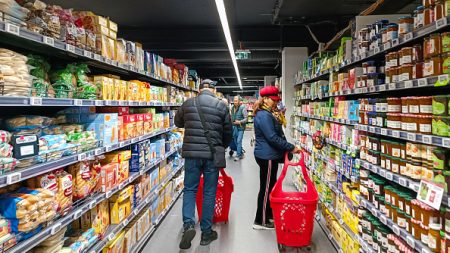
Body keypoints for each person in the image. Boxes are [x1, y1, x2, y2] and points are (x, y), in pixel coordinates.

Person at [174, 79, 232, 249]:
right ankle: (206, 232)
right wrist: (222, 146)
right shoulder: (221, 106)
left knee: (190, 189)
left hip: (192, 155)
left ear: (198, 90)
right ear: (213, 90)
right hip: (212, 155)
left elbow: (178, 123)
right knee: (209, 192)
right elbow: (228, 132)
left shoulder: (187, 103)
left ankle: (189, 225)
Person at [252, 86, 301, 230]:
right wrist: (290, 147)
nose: (275, 103)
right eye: (273, 100)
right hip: (266, 156)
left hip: (269, 155)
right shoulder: (264, 115)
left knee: (270, 186)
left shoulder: (267, 114)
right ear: (265, 99)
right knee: (266, 188)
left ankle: (267, 215)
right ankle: (260, 221)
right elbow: (272, 137)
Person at [230, 96, 248, 161]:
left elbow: (246, 118)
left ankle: (238, 155)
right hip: (234, 127)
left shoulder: (243, 108)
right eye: (234, 100)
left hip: (240, 127)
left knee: (239, 141)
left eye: (236, 100)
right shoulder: (232, 108)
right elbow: (231, 117)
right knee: (235, 141)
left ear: (239, 101)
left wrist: (240, 122)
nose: (235, 102)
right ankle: (241, 152)